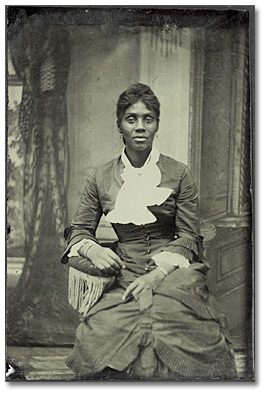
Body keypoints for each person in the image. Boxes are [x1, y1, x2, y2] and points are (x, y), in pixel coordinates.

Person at [61, 83, 237, 380]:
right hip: (125, 271)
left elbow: (187, 235)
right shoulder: (101, 177)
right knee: (102, 327)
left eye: (148, 119)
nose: (140, 127)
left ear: (157, 124)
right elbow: (79, 229)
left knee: (172, 316)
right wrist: (94, 249)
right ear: (120, 125)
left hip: (174, 271)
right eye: (132, 119)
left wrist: (156, 276)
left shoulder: (179, 173)